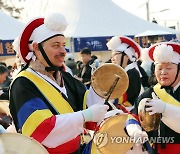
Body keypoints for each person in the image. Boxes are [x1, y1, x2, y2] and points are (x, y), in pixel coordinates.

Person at [9, 13, 109, 153]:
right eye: (56, 45)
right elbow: (41, 129)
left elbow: (89, 108)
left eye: (63, 45)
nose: (63, 51)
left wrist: (101, 88)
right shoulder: (23, 83)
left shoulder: (65, 77)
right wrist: (84, 115)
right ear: (37, 48)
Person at [125, 42, 180, 154]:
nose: (163, 72)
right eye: (159, 69)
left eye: (169, 68)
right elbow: (133, 116)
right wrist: (134, 130)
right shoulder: (150, 93)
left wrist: (165, 109)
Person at [106, 36, 143, 111]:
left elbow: (125, 97)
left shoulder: (132, 73)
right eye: (112, 55)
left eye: (116, 54)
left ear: (126, 57)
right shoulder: (126, 72)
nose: (112, 59)